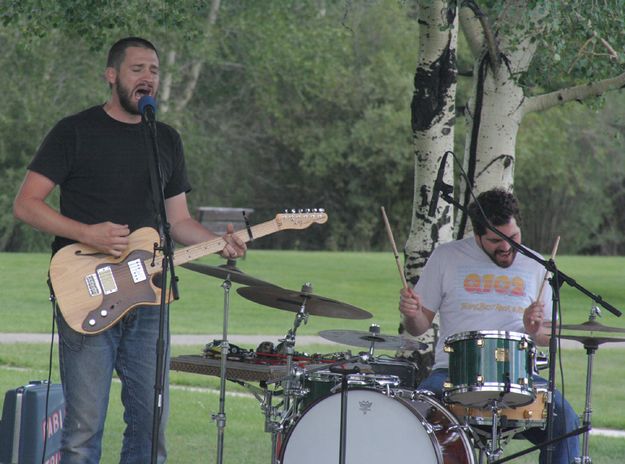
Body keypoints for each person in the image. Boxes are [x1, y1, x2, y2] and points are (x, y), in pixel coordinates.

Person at [12, 37, 246, 463]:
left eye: (154, 70)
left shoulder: (167, 140)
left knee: (150, 426)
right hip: (87, 291)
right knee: (83, 433)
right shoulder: (74, 131)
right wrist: (88, 233)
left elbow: (178, 222)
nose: (148, 78)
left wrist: (220, 243)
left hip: (150, 298)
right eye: (137, 69)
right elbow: (25, 204)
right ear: (112, 75)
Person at [399, 188, 579, 464]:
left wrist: (534, 329)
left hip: (519, 376)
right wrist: (411, 314)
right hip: (451, 372)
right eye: (496, 240)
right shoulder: (447, 257)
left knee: (566, 422)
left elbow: (546, 336)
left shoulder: (536, 265)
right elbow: (418, 325)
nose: (507, 247)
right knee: (417, 418)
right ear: (478, 235)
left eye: (513, 237)